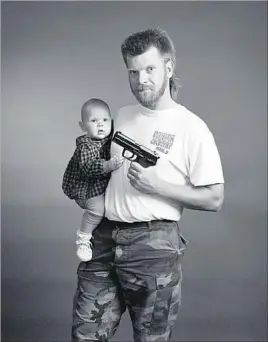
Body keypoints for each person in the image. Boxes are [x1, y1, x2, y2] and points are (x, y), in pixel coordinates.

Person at [71, 28, 224, 341]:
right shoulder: (122, 116)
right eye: (133, 71)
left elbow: (215, 198)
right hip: (102, 240)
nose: (141, 80)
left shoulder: (192, 128)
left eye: (150, 69)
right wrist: (84, 191)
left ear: (168, 67)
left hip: (153, 248)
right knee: (85, 336)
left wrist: (159, 187)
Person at [62, 98, 124, 261]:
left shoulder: (110, 138)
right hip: (86, 190)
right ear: (83, 126)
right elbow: (88, 166)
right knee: (97, 209)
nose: (100, 125)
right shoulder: (86, 145)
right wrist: (108, 165)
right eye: (94, 121)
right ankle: (83, 239)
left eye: (104, 120)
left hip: (100, 186)